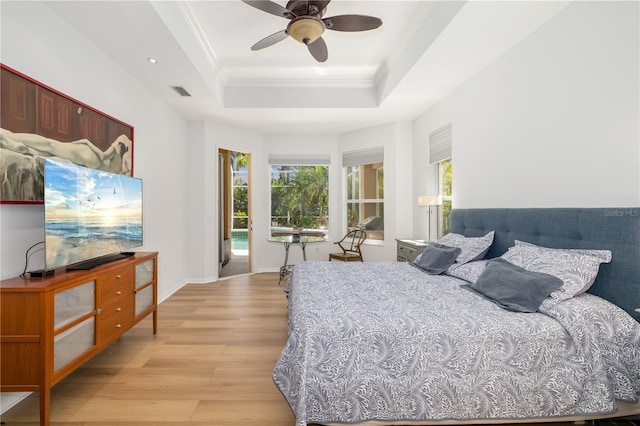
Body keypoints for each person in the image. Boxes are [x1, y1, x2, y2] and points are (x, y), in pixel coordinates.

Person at [0, 128, 132, 175]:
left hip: (91, 158)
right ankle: (11, 138)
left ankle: (12, 139)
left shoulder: (124, 145)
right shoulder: (126, 166)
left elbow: (103, 155)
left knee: (50, 145)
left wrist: (86, 142)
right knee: (49, 148)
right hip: (92, 161)